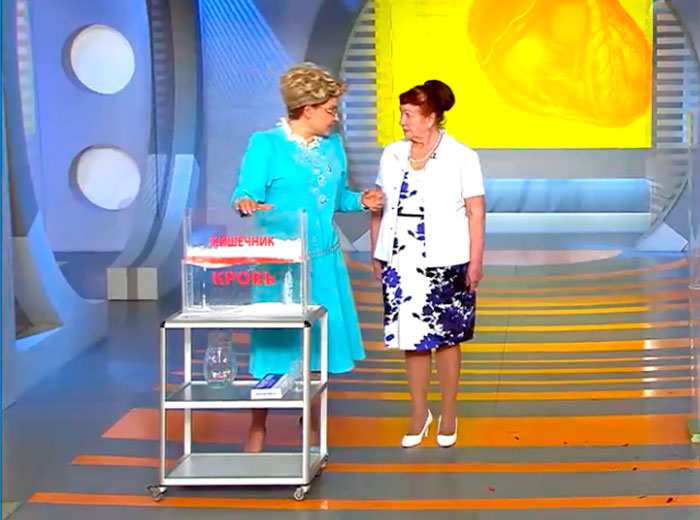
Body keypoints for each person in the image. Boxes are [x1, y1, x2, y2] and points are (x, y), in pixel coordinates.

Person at [231, 62, 384, 452]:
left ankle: (311, 423)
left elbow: (337, 197)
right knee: (273, 347)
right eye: (330, 110)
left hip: (324, 264)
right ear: (307, 109)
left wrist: (361, 201)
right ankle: (258, 426)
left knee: (316, 348)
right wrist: (246, 201)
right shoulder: (266, 144)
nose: (336, 118)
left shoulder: (333, 146)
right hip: (280, 266)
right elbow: (245, 191)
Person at [369, 80, 485, 448]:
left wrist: (476, 262)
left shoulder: (462, 156)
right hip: (400, 258)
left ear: (431, 117)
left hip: (447, 258)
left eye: (408, 114)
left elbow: (476, 212)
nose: (402, 121)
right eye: (401, 114)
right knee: (412, 338)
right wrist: (376, 250)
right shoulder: (391, 154)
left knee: (447, 338)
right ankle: (419, 412)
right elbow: (379, 206)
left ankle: (449, 412)